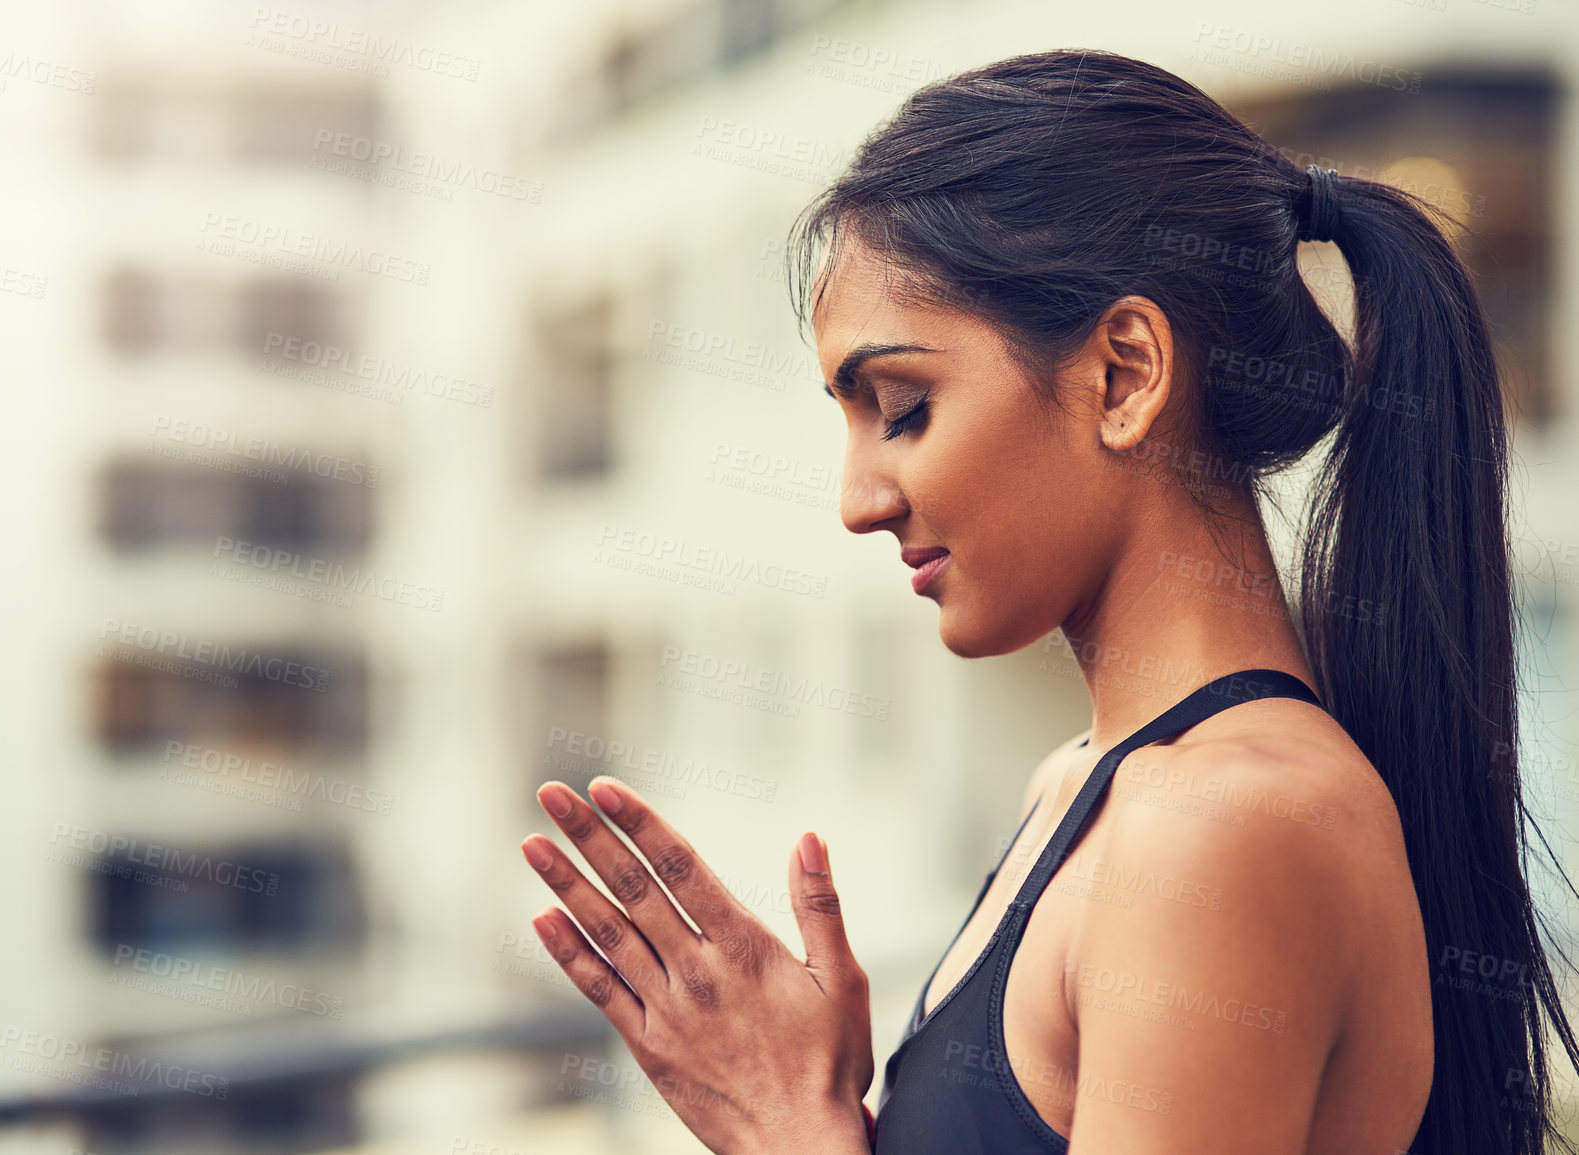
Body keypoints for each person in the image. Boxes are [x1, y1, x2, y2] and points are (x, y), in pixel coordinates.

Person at [518, 48, 1579, 1154]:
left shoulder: (1221, 830)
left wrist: (788, 1130)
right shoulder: (1082, 787)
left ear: (1124, 376)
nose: (858, 501)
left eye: (904, 407)